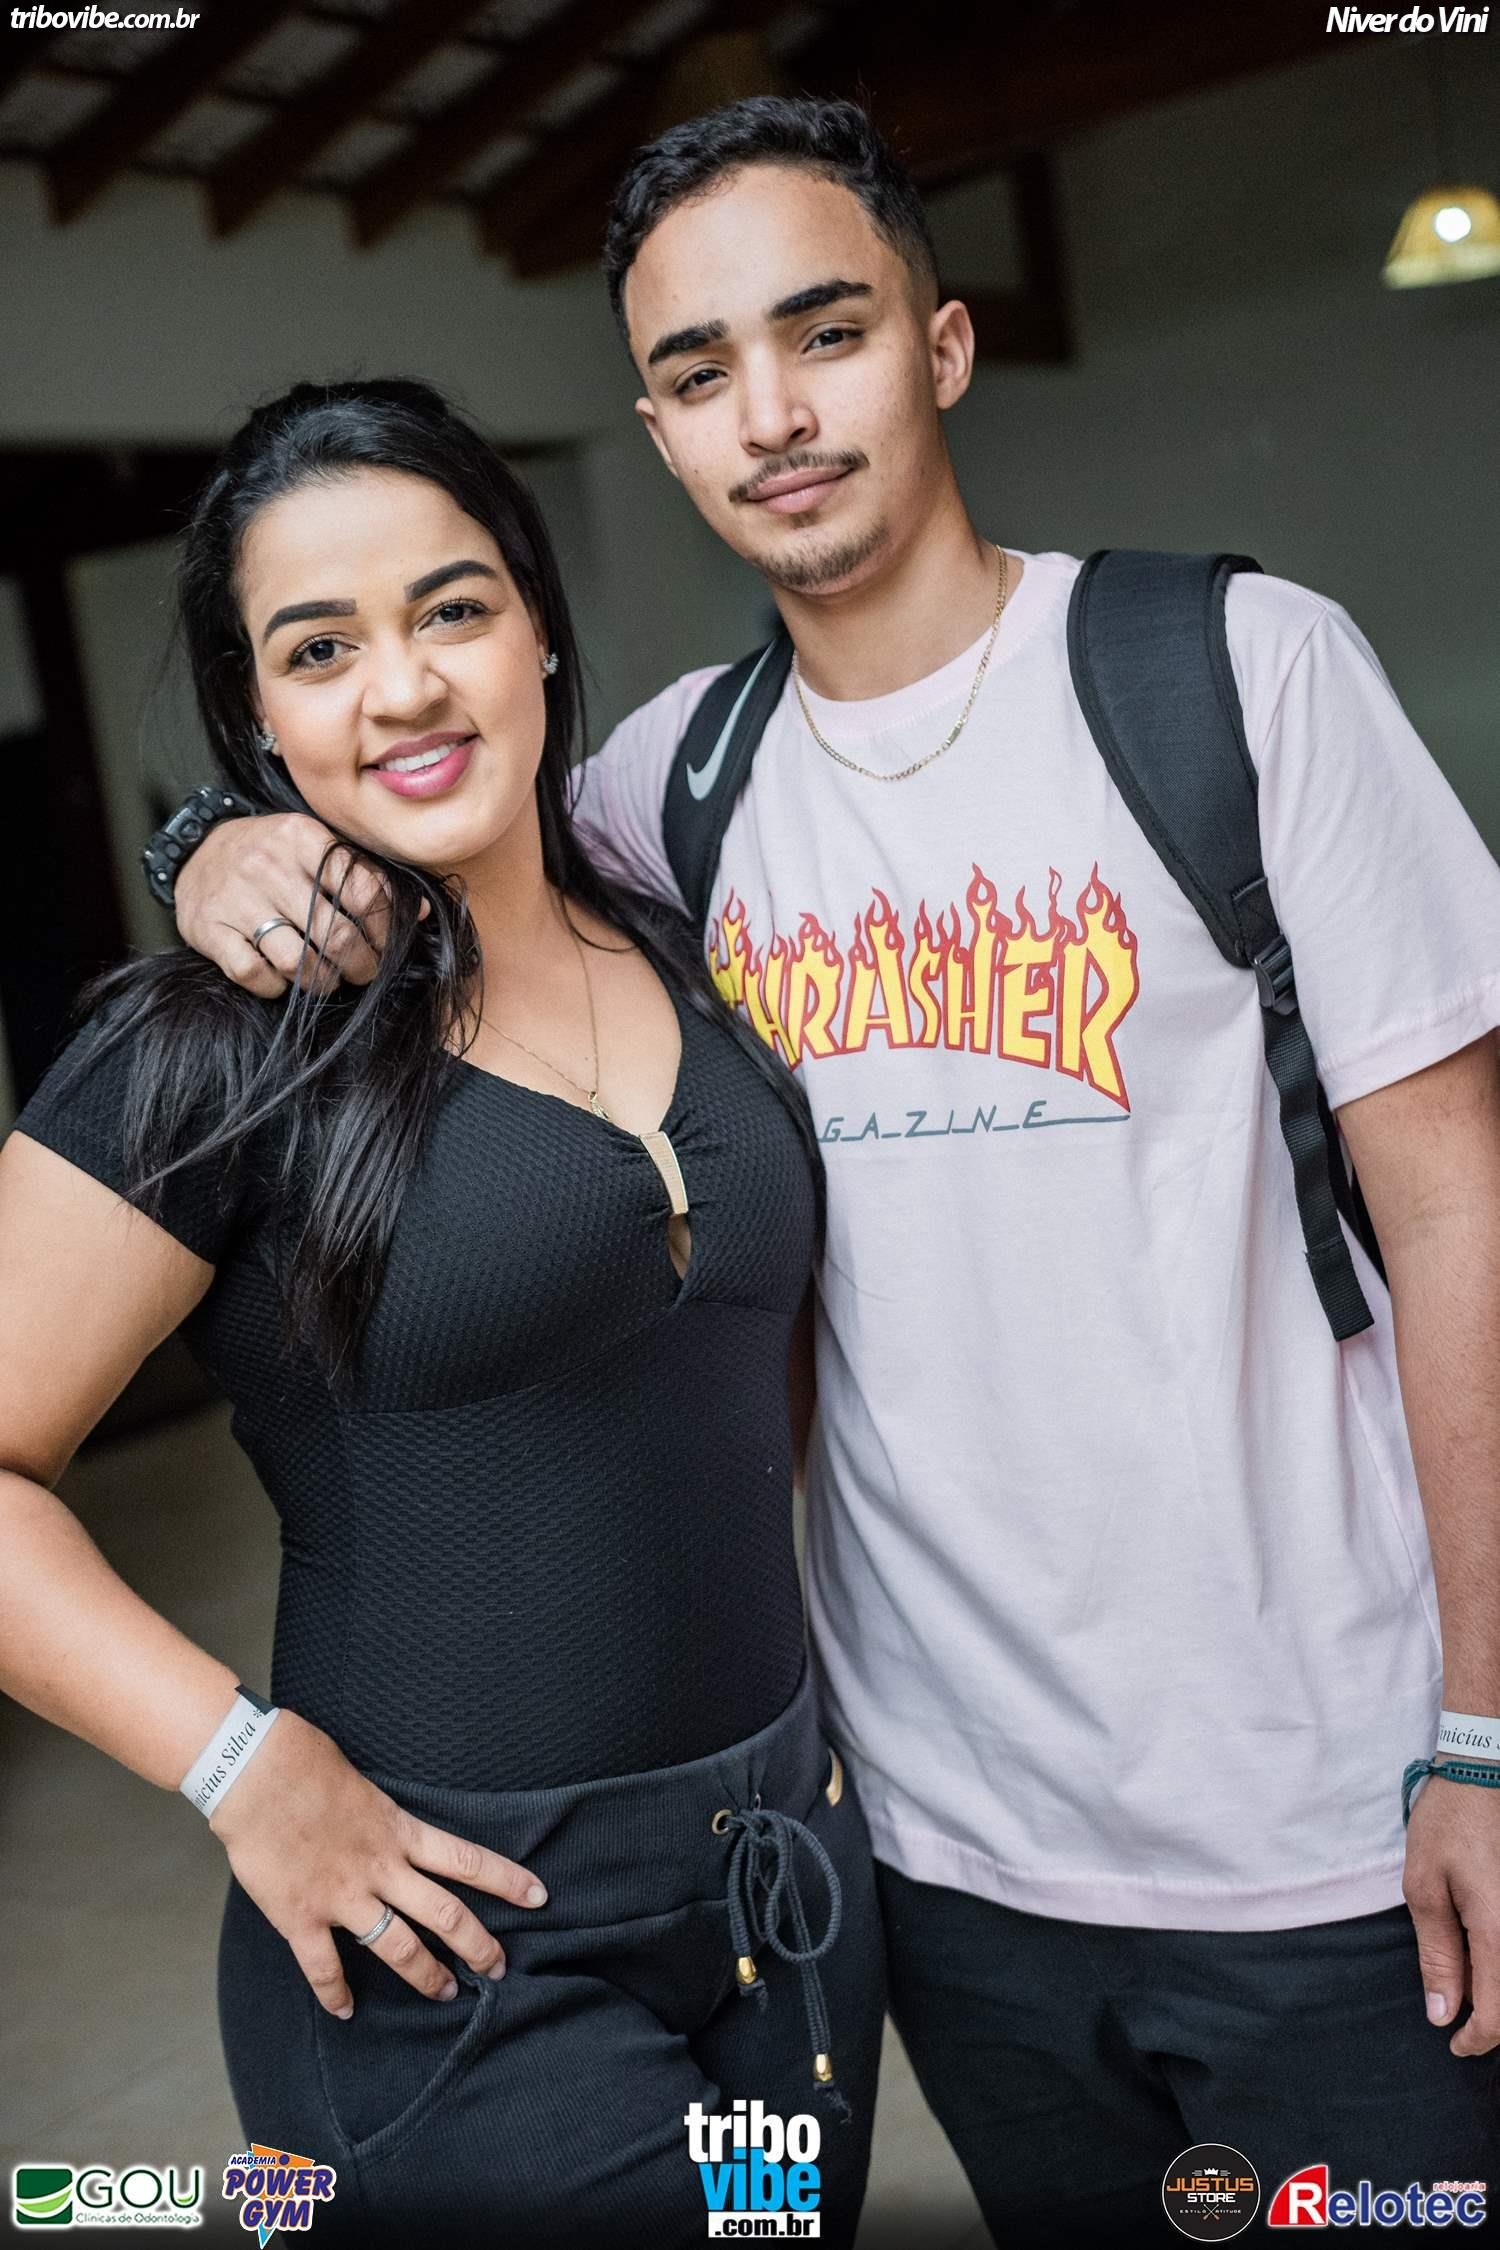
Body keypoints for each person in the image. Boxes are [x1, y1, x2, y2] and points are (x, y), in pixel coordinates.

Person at [159, 99, 1500, 2242]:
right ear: (658, 433)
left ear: (942, 346)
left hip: (1333, 1829)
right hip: (939, 1859)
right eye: (699, 373)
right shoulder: (660, 795)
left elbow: (1458, 1217)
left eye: (827, 332)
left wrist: (1486, 1737)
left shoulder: (1241, 674)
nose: (772, 415)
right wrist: (214, 842)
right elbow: (415, 817)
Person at [0, 378, 886, 2249]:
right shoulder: (211, 1047)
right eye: (320, 648)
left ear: (539, 624)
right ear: (259, 713)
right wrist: (239, 1764)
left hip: (786, 1897)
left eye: (451, 608)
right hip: (448, 1946)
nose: (401, 688)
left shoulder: (686, 934)